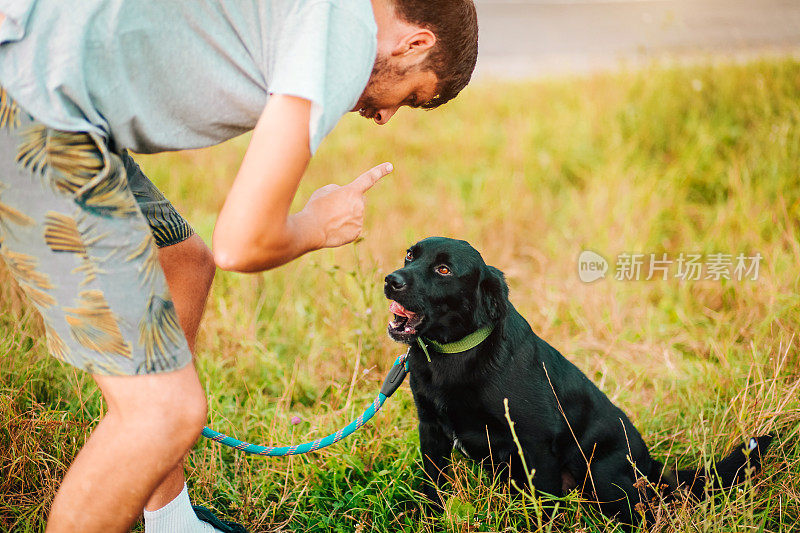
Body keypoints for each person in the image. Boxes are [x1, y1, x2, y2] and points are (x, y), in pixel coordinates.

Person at [0, 0, 478, 531]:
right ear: (415, 44)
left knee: (181, 263)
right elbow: (242, 243)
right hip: (31, 103)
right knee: (163, 415)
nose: (385, 116)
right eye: (409, 96)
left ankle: (174, 523)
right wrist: (319, 225)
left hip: (57, 88)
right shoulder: (346, 31)